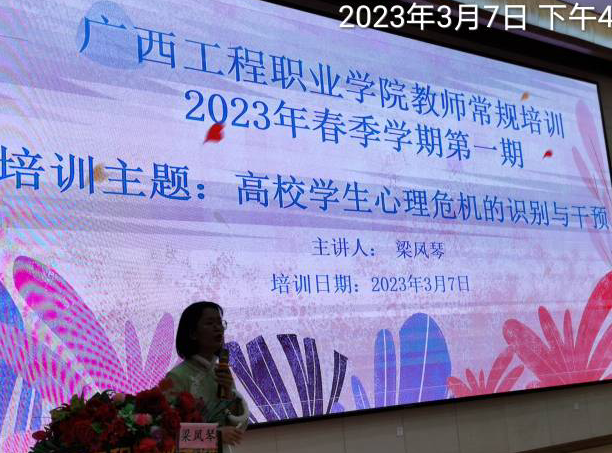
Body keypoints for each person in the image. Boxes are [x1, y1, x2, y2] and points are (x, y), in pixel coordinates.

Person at [164, 301, 248, 448]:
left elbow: (239, 428)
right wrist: (215, 435)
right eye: (210, 323)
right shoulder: (176, 376)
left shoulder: (222, 371)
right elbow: (167, 432)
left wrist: (229, 394)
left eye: (220, 323)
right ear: (193, 333)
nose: (218, 328)